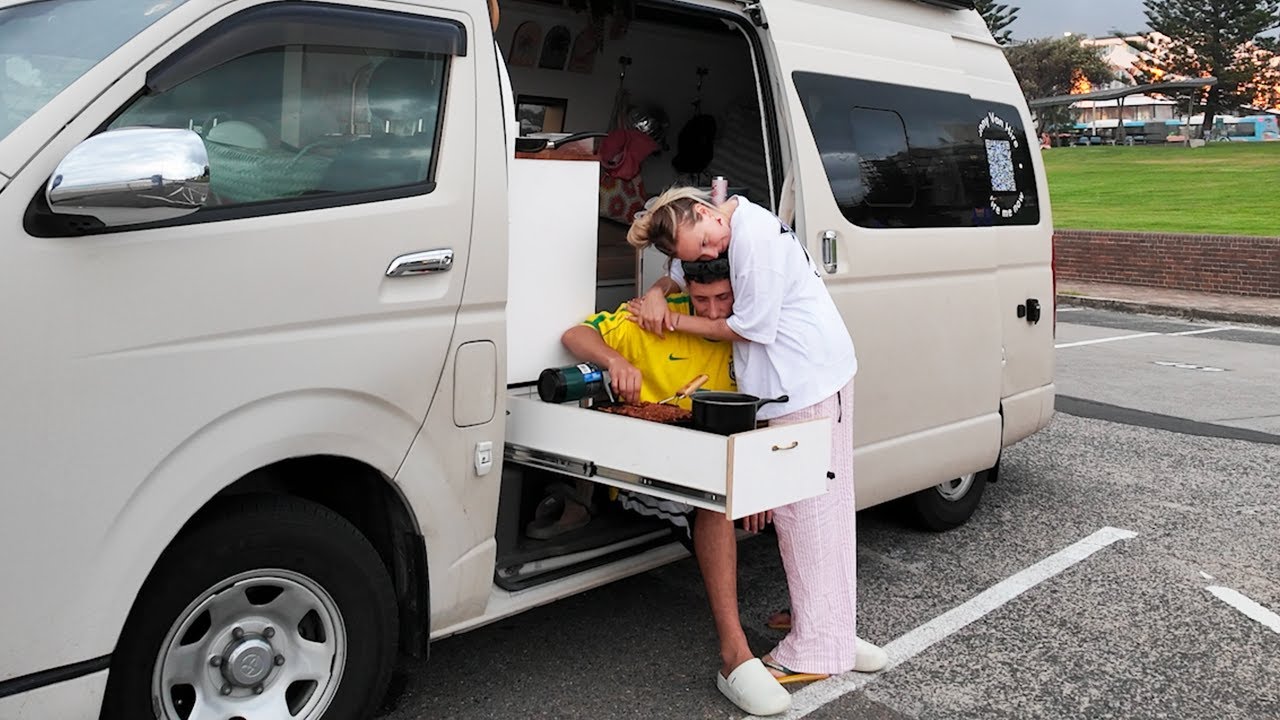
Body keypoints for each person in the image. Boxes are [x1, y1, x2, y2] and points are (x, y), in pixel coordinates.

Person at [627, 187, 880, 701]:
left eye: (702, 247)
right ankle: (826, 624)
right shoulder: (724, 225)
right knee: (820, 508)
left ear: (703, 212)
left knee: (807, 513)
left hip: (802, 378)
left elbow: (751, 327)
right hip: (805, 378)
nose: (706, 257)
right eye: (694, 255)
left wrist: (672, 318)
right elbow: (679, 274)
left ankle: (812, 648)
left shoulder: (754, 242)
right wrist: (658, 291)